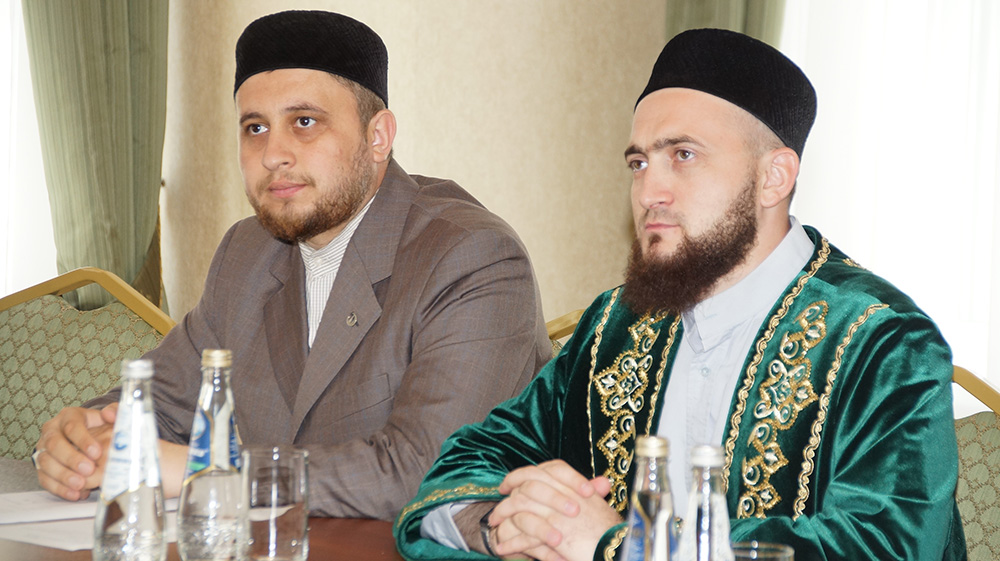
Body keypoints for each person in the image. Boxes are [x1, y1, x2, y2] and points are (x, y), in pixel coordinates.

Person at [394, 28, 965, 560]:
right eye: (639, 162)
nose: (649, 191)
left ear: (774, 177)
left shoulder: (883, 341)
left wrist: (625, 545)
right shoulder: (617, 324)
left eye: (683, 156)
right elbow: (473, 459)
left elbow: (886, 544)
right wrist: (503, 524)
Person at [32, 10, 551, 521]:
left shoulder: (470, 256)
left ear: (378, 137)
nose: (272, 154)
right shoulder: (247, 251)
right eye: (255, 127)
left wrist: (204, 471)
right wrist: (79, 440)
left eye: (304, 122)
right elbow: (164, 405)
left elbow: (426, 472)